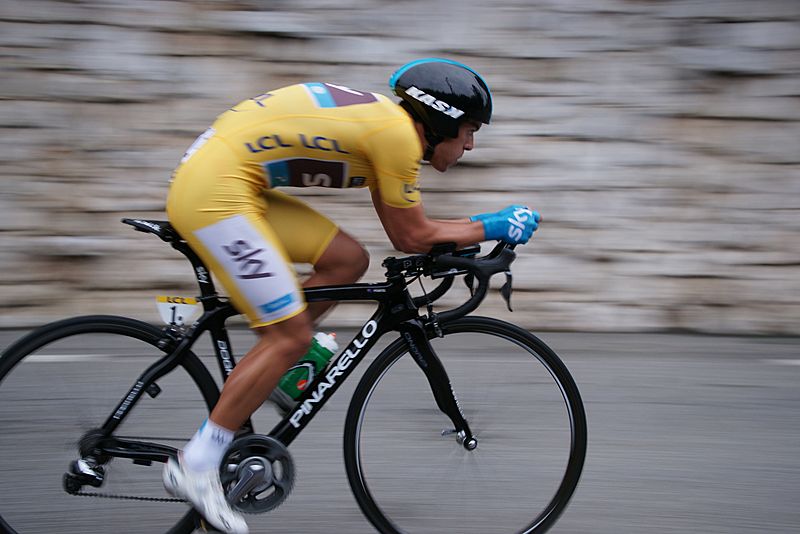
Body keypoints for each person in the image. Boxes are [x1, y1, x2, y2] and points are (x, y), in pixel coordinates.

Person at [162, 58, 541, 534]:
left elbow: (409, 233)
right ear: (441, 118)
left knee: (346, 261)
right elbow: (412, 235)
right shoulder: (398, 137)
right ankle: (197, 463)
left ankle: (283, 369)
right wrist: (493, 224)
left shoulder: (392, 129)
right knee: (291, 336)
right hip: (215, 192)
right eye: (468, 129)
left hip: (229, 178)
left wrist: (471, 234)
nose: (471, 143)